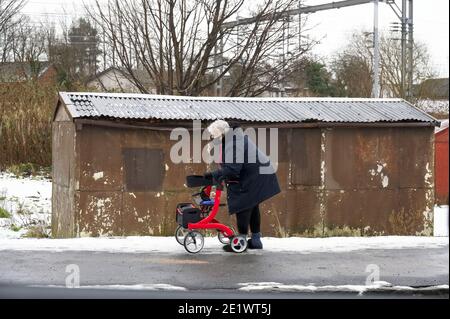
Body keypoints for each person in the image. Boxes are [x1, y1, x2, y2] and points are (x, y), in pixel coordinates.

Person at [204, 119, 281, 251]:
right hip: (258, 175)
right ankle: (256, 241)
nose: (213, 139)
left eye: (214, 136)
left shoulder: (234, 143)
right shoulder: (233, 138)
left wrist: (214, 175)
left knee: (243, 206)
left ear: (221, 134)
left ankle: (241, 242)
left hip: (255, 176)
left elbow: (233, 169)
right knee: (252, 205)